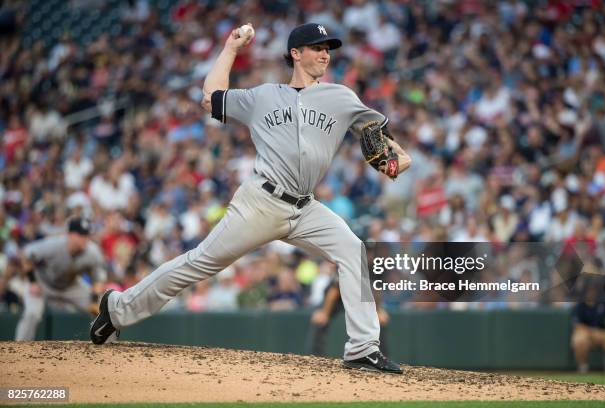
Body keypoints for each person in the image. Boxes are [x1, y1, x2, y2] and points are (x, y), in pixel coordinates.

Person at [90, 22, 412, 374]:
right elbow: (209, 96)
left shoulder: (341, 97)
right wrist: (230, 49)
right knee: (200, 263)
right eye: (317, 47)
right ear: (295, 53)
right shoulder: (261, 96)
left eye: (328, 48)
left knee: (353, 250)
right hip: (261, 202)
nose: (325, 53)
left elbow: (378, 133)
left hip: (305, 207)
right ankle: (116, 308)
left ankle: (362, 348)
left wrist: (401, 156)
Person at [13, 217, 107, 341]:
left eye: (87, 235)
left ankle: (108, 349)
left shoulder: (92, 252)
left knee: (103, 309)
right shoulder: (53, 245)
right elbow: (26, 254)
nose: (85, 239)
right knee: (32, 313)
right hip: (43, 284)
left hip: (71, 287)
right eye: (81, 235)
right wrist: (33, 281)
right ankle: (18, 350)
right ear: (71, 235)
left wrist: (95, 300)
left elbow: (98, 279)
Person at [571, 282, 605, 373]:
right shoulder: (580, 306)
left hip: (602, 333)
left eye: (593, 291)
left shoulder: (604, 303)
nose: (591, 293)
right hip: (586, 333)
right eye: (589, 291)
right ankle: (583, 367)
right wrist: (593, 332)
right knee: (578, 340)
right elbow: (577, 326)